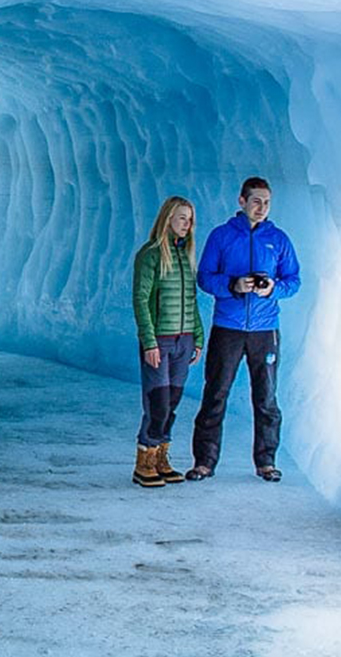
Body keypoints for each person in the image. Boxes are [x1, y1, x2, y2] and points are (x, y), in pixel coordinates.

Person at [187, 177, 301, 483]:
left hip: (265, 330)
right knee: (215, 394)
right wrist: (233, 285)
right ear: (242, 201)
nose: (261, 208)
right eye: (256, 201)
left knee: (266, 398)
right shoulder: (222, 236)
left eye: (266, 202)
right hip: (228, 327)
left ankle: (266, 461)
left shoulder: (278, 240)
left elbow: (294, 281)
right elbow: (205, 277)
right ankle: (204, 462)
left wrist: (272, 288)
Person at [131, 196, 204, 488]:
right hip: (160, 341)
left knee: (171, 402)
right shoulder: (150, 254)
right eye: (181, 218)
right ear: (167, 219)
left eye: (189, 219)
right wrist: (149, 342)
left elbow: (192, 301)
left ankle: (162, 456)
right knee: (157, 401)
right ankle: (144, 460)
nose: (187, 225)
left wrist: (197, 336)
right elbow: (141, 299)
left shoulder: (186, 256)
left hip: (183, 340)